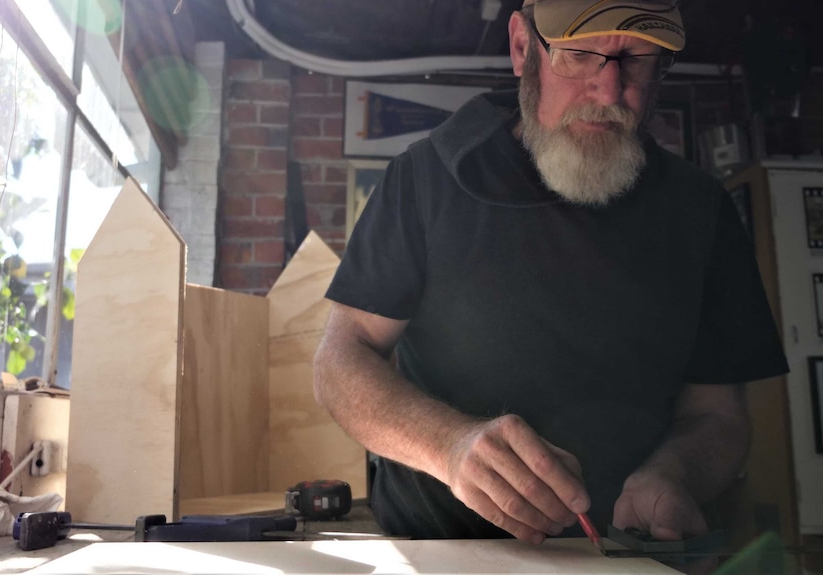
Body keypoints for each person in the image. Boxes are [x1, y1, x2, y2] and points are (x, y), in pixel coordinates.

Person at [313, 0, 788, 546]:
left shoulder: (702, 211)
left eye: (636, 58)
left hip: (627, 558)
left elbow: (718, 414)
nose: (608, 91)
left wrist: (674, 474)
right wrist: (449, 446)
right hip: (442, 552)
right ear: (522, 48)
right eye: (580, 55)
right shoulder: (425, 179)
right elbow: (340, 359)